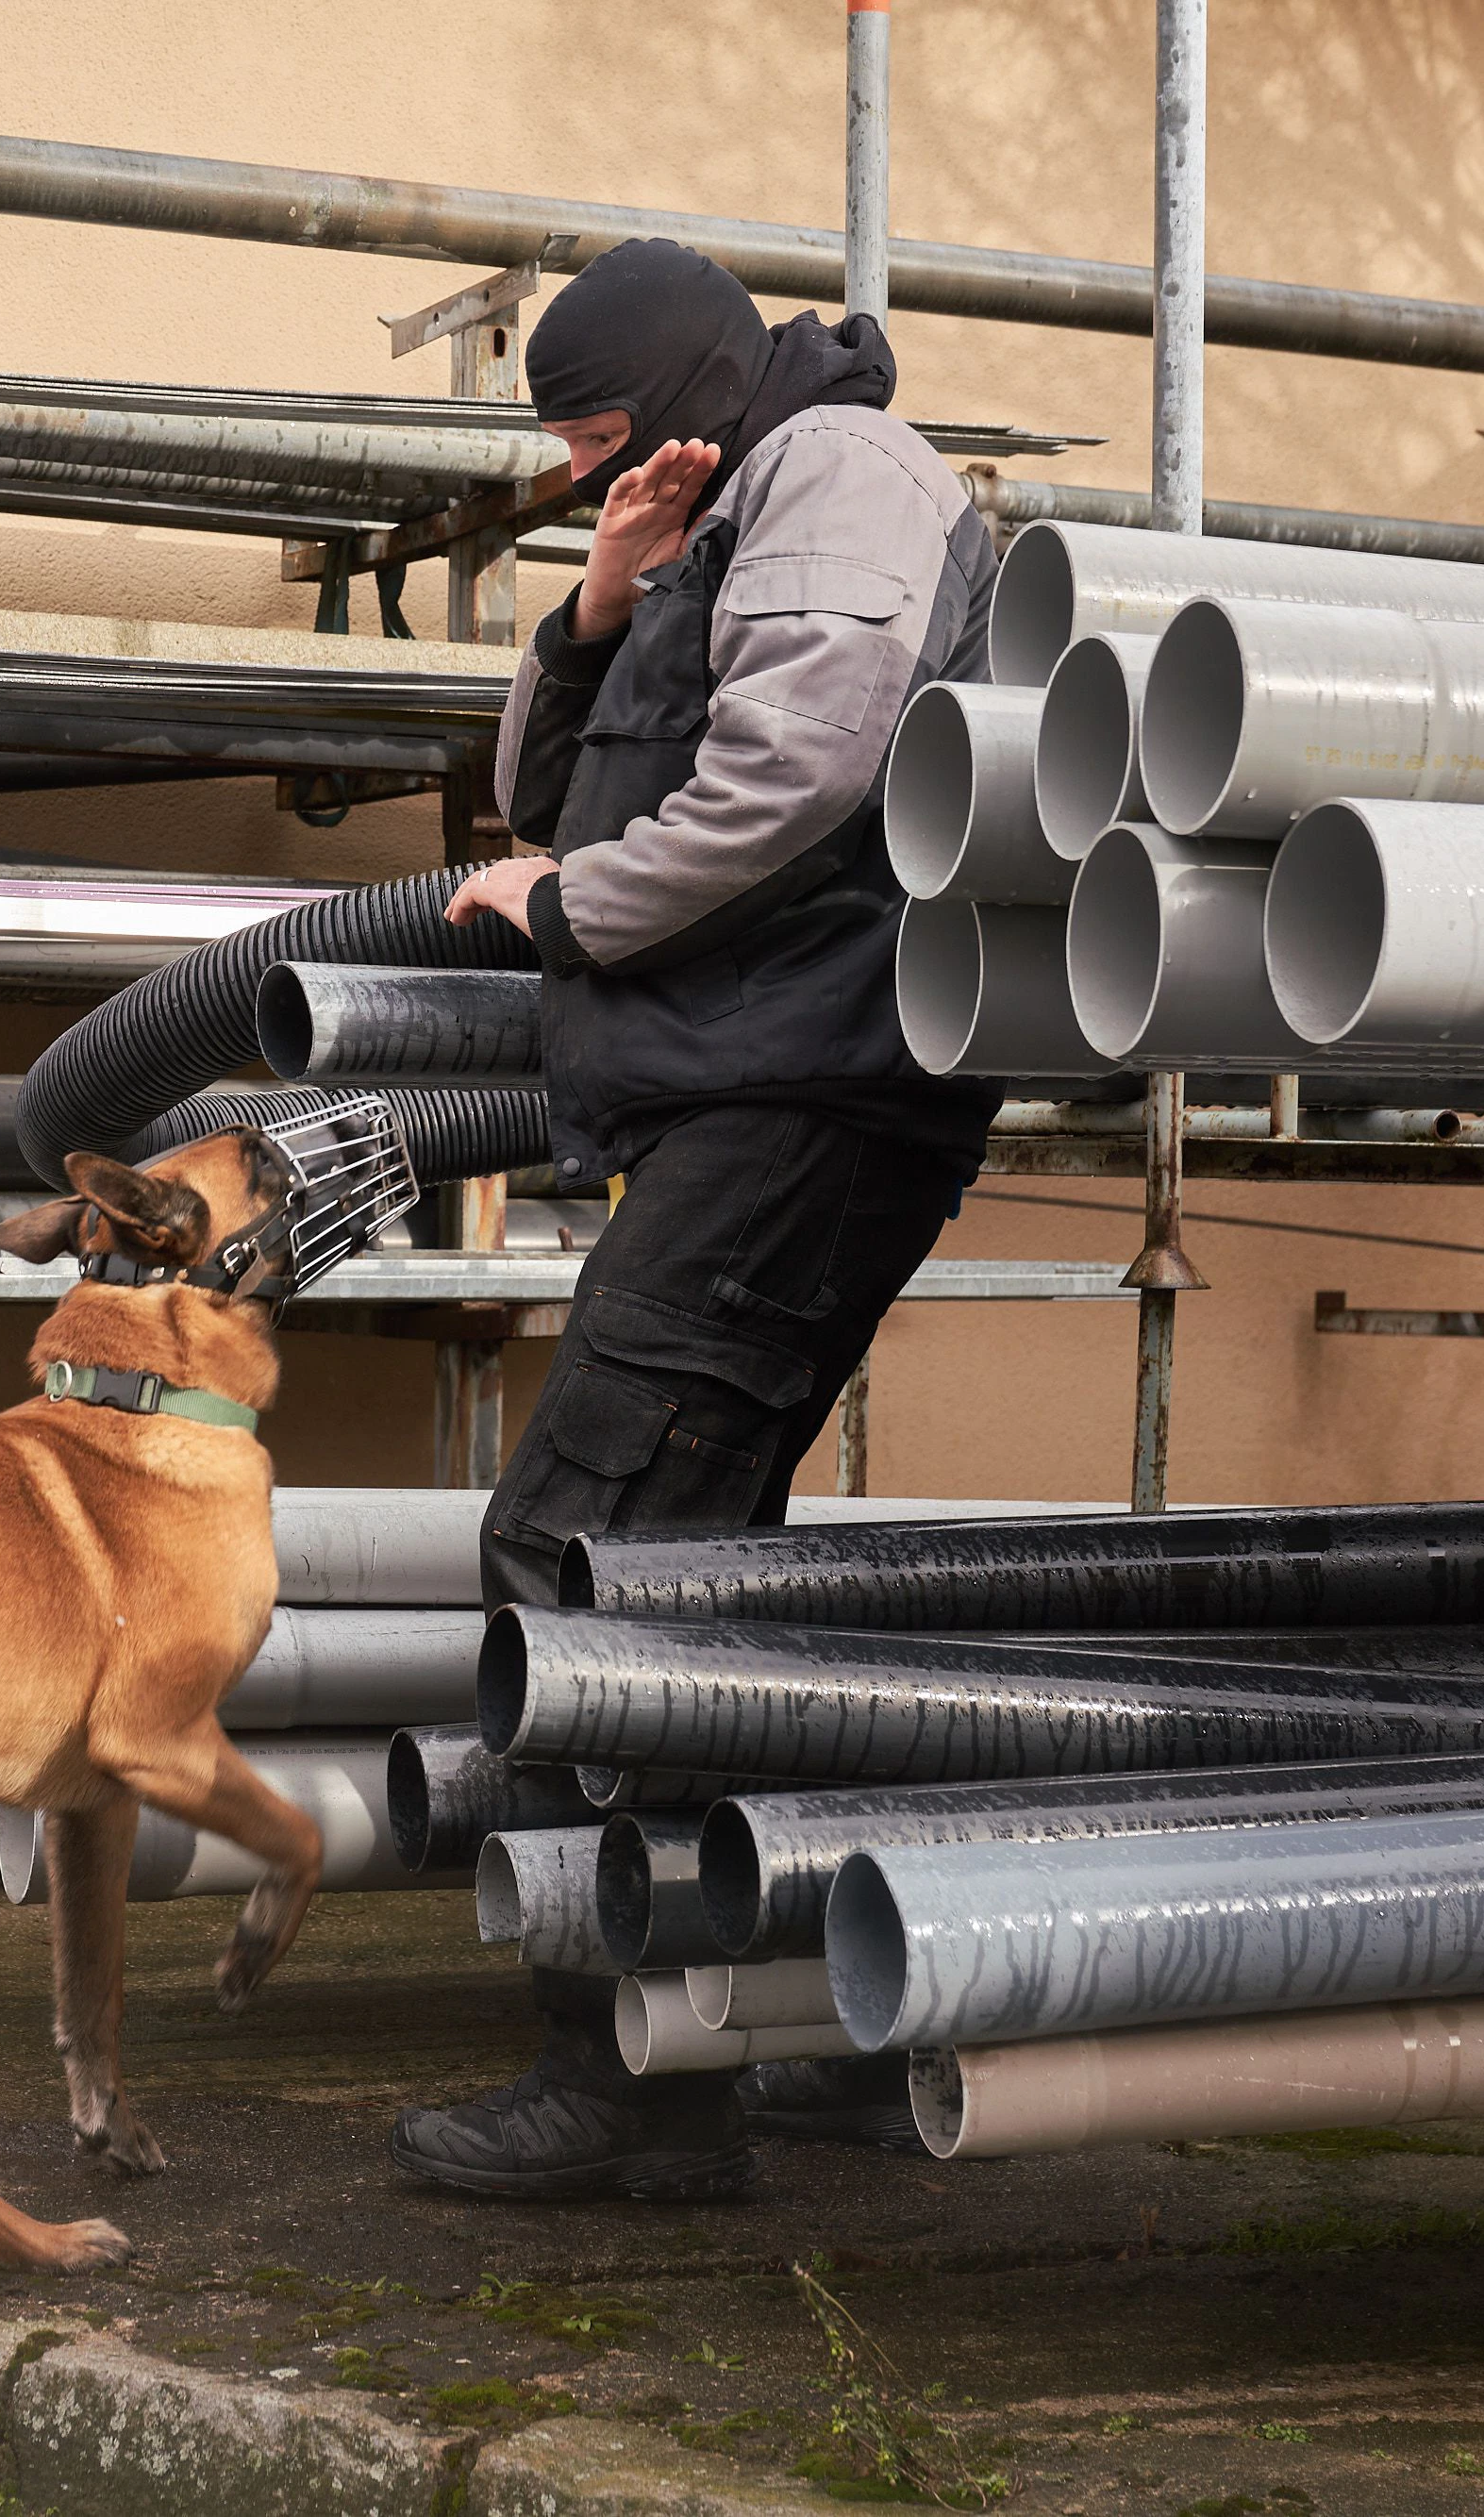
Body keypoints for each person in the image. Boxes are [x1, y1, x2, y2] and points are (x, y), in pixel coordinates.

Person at [387, 238, 1005, 2201]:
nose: (579, 470)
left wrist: (571, 910)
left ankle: (622, 2078)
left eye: (591, 438)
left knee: (587, 1557)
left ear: (676, 389)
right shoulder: (714, 506)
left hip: (805, 1088)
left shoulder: (842, 479)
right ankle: (790, 2019)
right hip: (747, 1089)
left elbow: (801, 771)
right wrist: (599, 599)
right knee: (706, 1587)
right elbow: (538, 794)